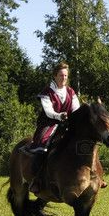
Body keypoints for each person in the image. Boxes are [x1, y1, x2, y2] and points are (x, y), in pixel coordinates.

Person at [25, 62, 81, 193]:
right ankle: (37, 180)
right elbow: (48, 111)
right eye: (61, 75)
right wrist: (59, 116)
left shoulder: (70, 92)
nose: (64, 78)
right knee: (43, 147)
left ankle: (95, 175)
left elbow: (76, 109)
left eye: (66, 75)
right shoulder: (47, 92)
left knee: (83, 141)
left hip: (66, 124)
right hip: (48, 124)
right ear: (55, 76)